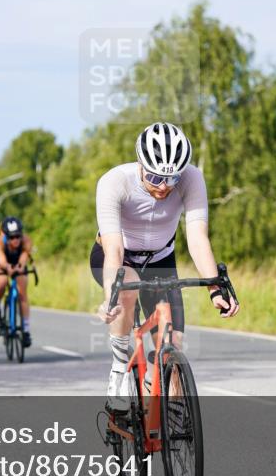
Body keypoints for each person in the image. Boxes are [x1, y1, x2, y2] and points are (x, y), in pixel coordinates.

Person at [92, 122, 240, 413]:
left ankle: (162, 411)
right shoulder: (114, 182)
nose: (163, 187)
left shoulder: (191, 177)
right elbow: (114, 249)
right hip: (118, 258)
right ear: (140, 164)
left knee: (172, 345)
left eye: (171, 179)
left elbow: (197, 238)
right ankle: (120, 368)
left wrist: (214, 288)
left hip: (161, 260)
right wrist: (111, 293)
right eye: (155, 177)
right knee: (125, 290)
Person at [0, 216, 33, 346]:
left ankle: (26, 330)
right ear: (6, 236)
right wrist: (8, 268)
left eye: (18, 236)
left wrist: (19, 267)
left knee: (22, 293)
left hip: (17, 262)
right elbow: (1, 260)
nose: (16, 240)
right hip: (0, 262)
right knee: (1, 282)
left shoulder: (26, 241)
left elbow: (24, 257)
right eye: (12, 237)